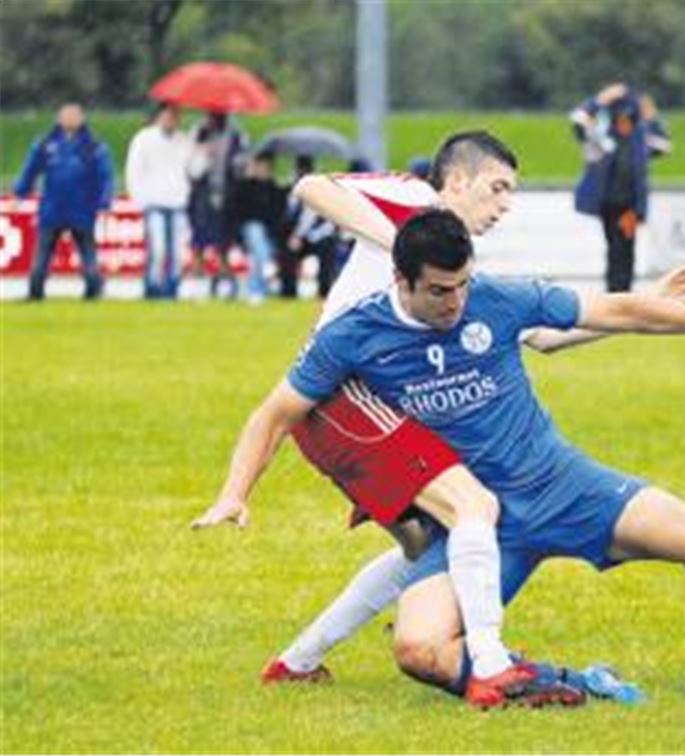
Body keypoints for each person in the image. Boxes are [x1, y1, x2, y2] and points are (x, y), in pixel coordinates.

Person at [275, 209, 685, 701]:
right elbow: (285, 411)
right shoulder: (357, 333)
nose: (502, 202)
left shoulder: (496, 299)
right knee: (418, 650)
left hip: (562, 484)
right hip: (476, 521)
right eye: (497, 188)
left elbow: (614, 310)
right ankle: (574, 682)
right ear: (405, 280)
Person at [194, 132, 620, 708]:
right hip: (344, 405)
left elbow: (542, 337)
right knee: (475, 507)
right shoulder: (415, 199)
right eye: (497, 189)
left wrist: (631, 315)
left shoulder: (450, 266)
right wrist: (400, 243)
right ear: (457, 180)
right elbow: (312, 186)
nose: (504, 206)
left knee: (426, 548)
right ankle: (491, 665)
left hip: (349, 412)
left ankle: (297, 662)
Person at [571, 83, 671, 292]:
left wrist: (651, 116)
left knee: (625, 249)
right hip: (606, 203)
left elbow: (664, 146)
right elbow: (578, 120)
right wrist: (600, 100)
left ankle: (622, 294)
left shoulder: (640, 138)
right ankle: (614, 294)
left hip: (630, 206)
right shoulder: (601, 136)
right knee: (613, 249)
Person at [13, 103, 113, 301]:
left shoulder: (93, 147)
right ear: (59, 118)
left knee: (87, 252)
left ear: (82, 119)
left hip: (82, 208)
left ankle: (93, 289)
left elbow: (105, 176)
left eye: (74, 116)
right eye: (66, 115)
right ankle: (35, 291)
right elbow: (31, 169)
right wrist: (20, 192)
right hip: (53, 208)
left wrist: (104, 202)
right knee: (43, 252)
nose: (70, 120)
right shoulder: (46, 144)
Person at [125, 102, 196, 299]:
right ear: (158, 117)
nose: (171, 120)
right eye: (168, 115)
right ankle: (152, 285)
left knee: (176, 250)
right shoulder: (144, 139)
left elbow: (194, 170)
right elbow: (134, 171)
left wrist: (201, 152)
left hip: (178, 201)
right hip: (154, 201)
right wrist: (139, 198)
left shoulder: (184, 141)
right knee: (158, 247)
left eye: (175, 116)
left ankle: (172, 285)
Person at [186, 112, 248, 300]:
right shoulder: (199, 132)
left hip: (226, 195)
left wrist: (235, 162)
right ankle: (197, 284)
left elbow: (242, 166)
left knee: (223, 242)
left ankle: (223, 284)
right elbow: (190, 168)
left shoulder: (237, 134)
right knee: (199, 239)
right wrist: (203, 151)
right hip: (202, 194)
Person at [228, 151, 286, 305]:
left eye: (266, 167)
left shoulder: (275, 189)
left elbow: (277, 216)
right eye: (260, 166)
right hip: (248, 230)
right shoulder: (245, 187)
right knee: (256, 232)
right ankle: (267, 266)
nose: (262, 170)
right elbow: (238, 213)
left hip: (269, 233)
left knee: (258, 254)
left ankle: (257, 291)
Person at [281, 156, 338, 299]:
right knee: (287, 251)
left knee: (327, 247)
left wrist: (300, 236)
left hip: (318, 236)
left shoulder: (320, 194)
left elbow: (323, 224)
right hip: (298, 238)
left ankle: (324, 289)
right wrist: (294, 237)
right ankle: (288, 291)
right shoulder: (292, 195)